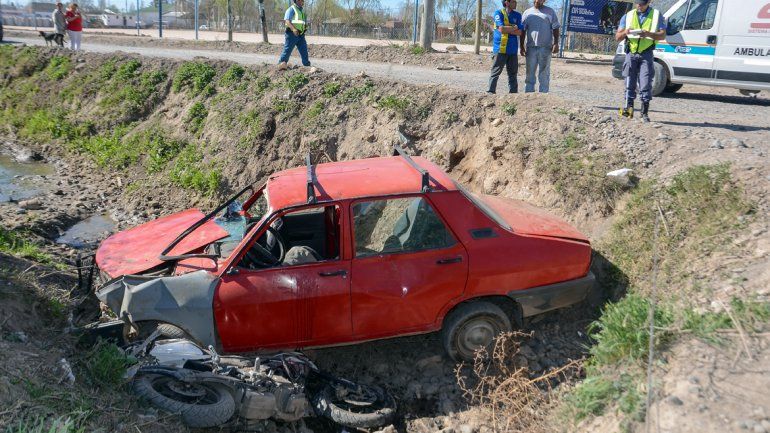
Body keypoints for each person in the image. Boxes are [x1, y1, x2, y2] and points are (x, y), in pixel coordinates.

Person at [615, 0, 666, 122]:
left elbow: (662, 35)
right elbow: (617, 37)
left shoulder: (656, 15)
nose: (639, 5)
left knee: (645, 83)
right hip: (631, 53)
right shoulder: (628, 16)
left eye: (642, 3)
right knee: (629, 82)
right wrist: (625, 32)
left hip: (646, 54)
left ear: (649, 2)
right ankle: (628, 111)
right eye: (637, 3)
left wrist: (648, 34)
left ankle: (644, 113)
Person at [519, 0, 560, 93]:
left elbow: (556, 28)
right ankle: (529, 94)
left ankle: (543, 95)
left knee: (544, 74)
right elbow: (523, 30)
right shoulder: (527, 13)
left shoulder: (550, 12)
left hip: (546, 48)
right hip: (531, 48)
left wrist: (556, 43)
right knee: (530, 73)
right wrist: (521, 46)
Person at [487, 0, 523, 94]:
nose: (516, 3)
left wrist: (508, 29)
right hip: (500, 49)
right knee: (495, 72)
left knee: (513, 74)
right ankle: (490, 92)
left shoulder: (518, 15)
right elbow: (501, 29)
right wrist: (514, 27)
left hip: (512, 49)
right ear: (507, 2)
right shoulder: (498, 13)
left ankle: (513, 94)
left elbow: (520, 32)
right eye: (513, 1)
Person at [278, 0, 310, 69]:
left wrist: (305, 27)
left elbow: (301, 22)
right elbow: (287, 21)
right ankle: (281, 64)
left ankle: (307, 66)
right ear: (297, 0)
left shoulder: (301, 11)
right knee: (288, 50)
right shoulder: (291, 9)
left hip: (300, 35)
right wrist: (294, 29)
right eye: (302, 0)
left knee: (304, 51)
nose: (303, 1)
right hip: (292, 34)